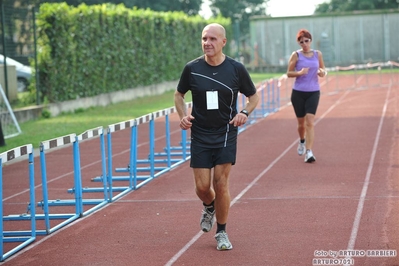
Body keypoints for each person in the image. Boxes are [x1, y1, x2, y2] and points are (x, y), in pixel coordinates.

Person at [174, 23, 259, 250]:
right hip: (200, 133)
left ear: (223, 42)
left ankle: (221, 232)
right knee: (202, 188)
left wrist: (244, 112)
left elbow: (253, 97)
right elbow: (179, 94)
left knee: (220, 183)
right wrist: (183, 115)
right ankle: (209, 205)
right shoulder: (191, 69)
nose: (207, 43)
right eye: (204, 38)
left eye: (212, 39)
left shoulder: (236, 68)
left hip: (225, 132)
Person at [287, 29, 326, 163]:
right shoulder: (296, 55)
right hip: (298, 92)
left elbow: (322, 69)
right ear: (299, 43)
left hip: (313, 91)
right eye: (301, 41)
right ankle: (302, 141)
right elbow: (289, 73)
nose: (304, 43)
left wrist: (322, 73)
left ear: (311, 40)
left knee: (310, 121)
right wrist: (300, 73)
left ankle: (309, 152)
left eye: (306, 41)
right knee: (301, 124)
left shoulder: (317, 54)